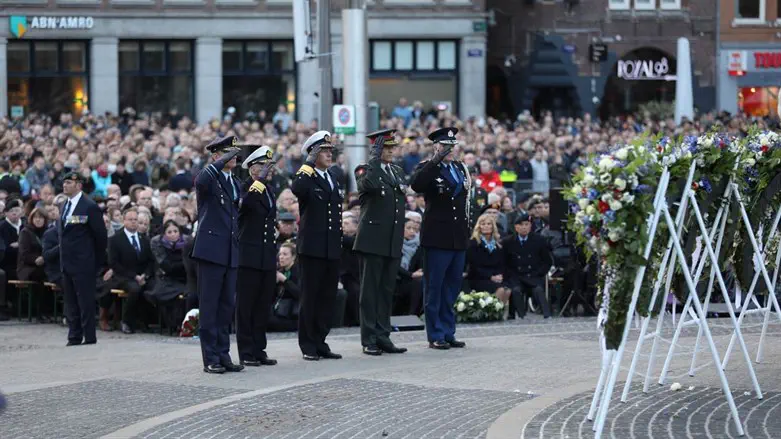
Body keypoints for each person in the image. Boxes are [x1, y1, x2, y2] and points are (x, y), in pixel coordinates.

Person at [410, 127, 471, 350]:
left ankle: (448, 331)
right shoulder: (428, 168)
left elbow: (464, 201)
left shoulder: (460, 169)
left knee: (452, 287)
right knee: (434, 287)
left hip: (457, 236)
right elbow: (416, 184)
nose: (450, 150)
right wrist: (435, 160)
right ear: (436, 147)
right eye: (445, 146)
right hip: (437, 237)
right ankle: (435, 333)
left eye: (452, 146)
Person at [190, 135, 244, 374]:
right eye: (226, 152)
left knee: (226, 306)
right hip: (211, 251)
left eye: (234, 153)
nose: (233, 157)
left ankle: (223, 354)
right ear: (215, 156)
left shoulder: (234, 182)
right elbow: (200, 181)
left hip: (230, 250)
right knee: (210, 306)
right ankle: (210, 357)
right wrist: (219, 162)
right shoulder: (210, 178)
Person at [353, 129, 408, 356]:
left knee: (386, 290)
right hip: (372, 239)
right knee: (370, 292)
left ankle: (383, 335)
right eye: (385, 148)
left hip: (391, 239)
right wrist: (374, 159)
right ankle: (369, 338)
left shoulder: (396, 171)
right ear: (376, 150)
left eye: (391, 148)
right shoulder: (366, 169)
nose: (390, 152)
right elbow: (370, 186)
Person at [291, 130, 344, 361]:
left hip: (331, 246)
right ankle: (308, 344)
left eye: (331, 150)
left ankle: (321, 340)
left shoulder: (332, 176)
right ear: (313, 153)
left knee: (327, 297)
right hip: (312, 247)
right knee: (310, 297)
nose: (329, 154)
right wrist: (308, 164)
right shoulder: (307, 177)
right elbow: (297, 189)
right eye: (324, 150)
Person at [236, 146, 279, 367]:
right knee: (246, 305)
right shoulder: (244, 188)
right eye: (262, 165)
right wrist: (259, 182)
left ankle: (259, 348)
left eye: (268, 166)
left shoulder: (269, 190)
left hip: (266, 255)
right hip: (248, 255)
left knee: (263, 305)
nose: (266, 170)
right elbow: (247, 206)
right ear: (252, 167)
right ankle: (246, 351)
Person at [58, 171, 108, 346]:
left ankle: (89, 336)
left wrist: (95, 261)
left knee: (85, 301)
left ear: (79, 185)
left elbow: (100, 237)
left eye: (69, 183)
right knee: (70, 302)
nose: (65, 185)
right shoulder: (64, 205)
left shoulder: (89, 206)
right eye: (64, 183)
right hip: (67, 262)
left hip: (84, 262)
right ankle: (74, 336)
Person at [108, 207, 155, 334]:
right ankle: (126, 321)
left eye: (135, 219)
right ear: (124, 221)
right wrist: (135, 276)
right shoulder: (115, 239)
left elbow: (151, 261)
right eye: (131, 219)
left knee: (155, 287)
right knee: (135, 289)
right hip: (123, 276)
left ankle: (146, 321)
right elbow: (114, 263)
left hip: (142, 276)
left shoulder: (144, 239)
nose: (134, 222)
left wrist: (145, 275)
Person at [502, 212, 553, 319]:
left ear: (530, 226)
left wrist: (539, 273)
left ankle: (547, 314)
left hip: (533, 275)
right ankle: (521, 316)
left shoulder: (539, 240)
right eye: (521, 225)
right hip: (516, 276)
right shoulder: (508, 242)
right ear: (516, 227)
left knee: (538, 289)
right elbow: (504, 263)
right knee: (516, 290)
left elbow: (547, 261)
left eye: (527, 224)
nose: (524, 227)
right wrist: (509, 276)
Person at [466, 214, 510, 307]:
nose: (486, 226)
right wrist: (490, 277)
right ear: (479, 227)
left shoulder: (498, 244)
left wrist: (499, 276)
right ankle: (493, 312)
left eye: (489, 224)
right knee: (500, 290)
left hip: (496, 276)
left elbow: (502, 264)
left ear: (493, 226)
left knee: (507, 290)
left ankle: (499, 313)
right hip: (479, 277)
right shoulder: (473, 243)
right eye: (483, 224)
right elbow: (474, 266)